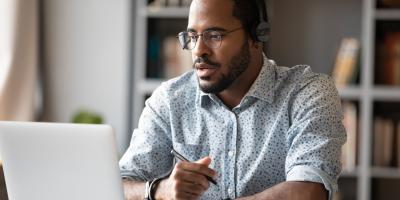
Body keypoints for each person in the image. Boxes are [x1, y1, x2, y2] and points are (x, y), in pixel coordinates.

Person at [119, 0, 346, 199]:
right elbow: (119, 185)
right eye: (192, 37)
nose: (199, 51)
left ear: (257, 36)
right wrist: (158, 190)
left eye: (214, 36)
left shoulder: (307, 93)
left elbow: (307, 192)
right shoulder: (169, 100)